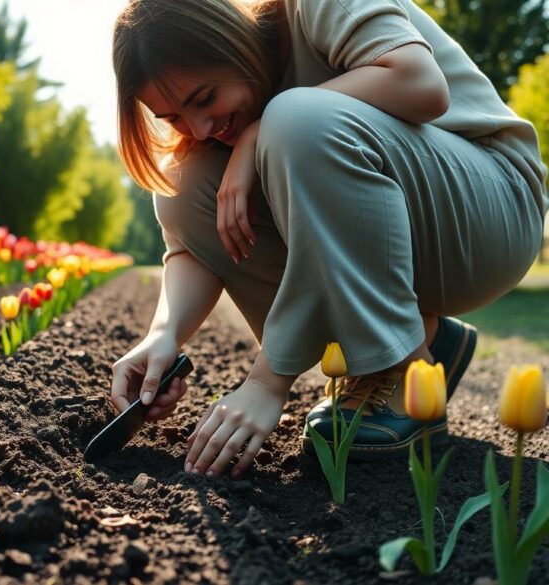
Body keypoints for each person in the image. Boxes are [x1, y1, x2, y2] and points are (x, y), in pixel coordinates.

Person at [108, 0, 547, 479]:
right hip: (410, 227)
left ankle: (394, 363)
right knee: (183, 186)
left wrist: (266, 382)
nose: (199, 127)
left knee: (297, 119)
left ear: (230, 42)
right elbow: (194, 245)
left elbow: (421, 83)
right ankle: (415, 340)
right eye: (172, 117)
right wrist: (163, 335)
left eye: (204, 97)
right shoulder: (216, 127)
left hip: (489, 208)